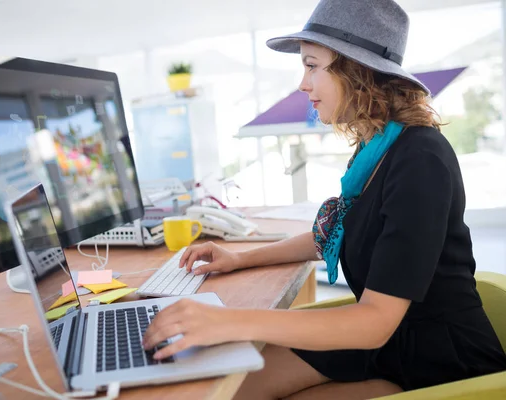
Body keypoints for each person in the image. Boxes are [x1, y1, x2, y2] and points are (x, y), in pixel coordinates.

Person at [142, 0, 506, 398]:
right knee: (231, 387)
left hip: (439, 362)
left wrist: (230, 321)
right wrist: (240, 258)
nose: (303, 83)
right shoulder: (377, 146)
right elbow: (337, 231)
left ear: (358, 71)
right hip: (391, 345)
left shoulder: (420, 160)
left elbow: (373, 322)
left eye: (312, 65)